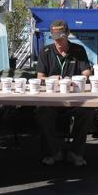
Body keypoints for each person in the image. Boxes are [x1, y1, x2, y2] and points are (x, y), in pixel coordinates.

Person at [36, 20, 94, 167]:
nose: (59, 42)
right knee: (41, 112)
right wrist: (51, 79)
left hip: (74, 99)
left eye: (61, 38)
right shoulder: (46, 51)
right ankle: (54, 151)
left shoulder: (78, 50)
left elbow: (87, 72)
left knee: (88, 110)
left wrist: (76, 79)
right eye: (56, 39)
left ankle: (75, 152)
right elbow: (40, 78)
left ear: (68, 34)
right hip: (52, 100)